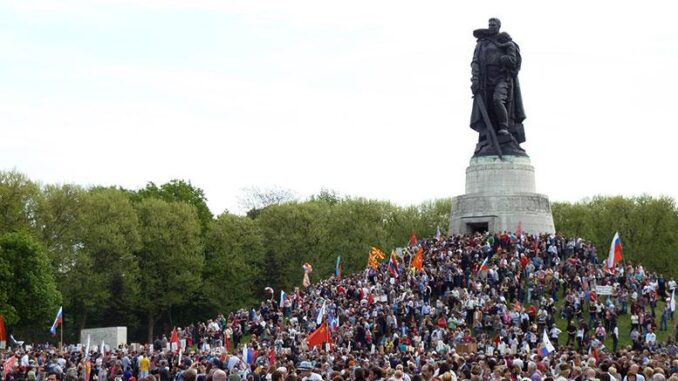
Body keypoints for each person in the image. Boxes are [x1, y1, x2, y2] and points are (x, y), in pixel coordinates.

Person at [469, 17, 526, 155]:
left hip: (502, 78)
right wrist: (475, 80)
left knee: (498, 100)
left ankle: (504, 128)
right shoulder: (482, 44)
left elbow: (515, 62)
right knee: (488, 108)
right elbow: (475, 62)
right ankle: (488, 138)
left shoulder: (506, 42)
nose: (491, 26)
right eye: (489, 24)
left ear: (499, 26)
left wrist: (504, 60)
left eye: (494, 24)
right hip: (485, 80)